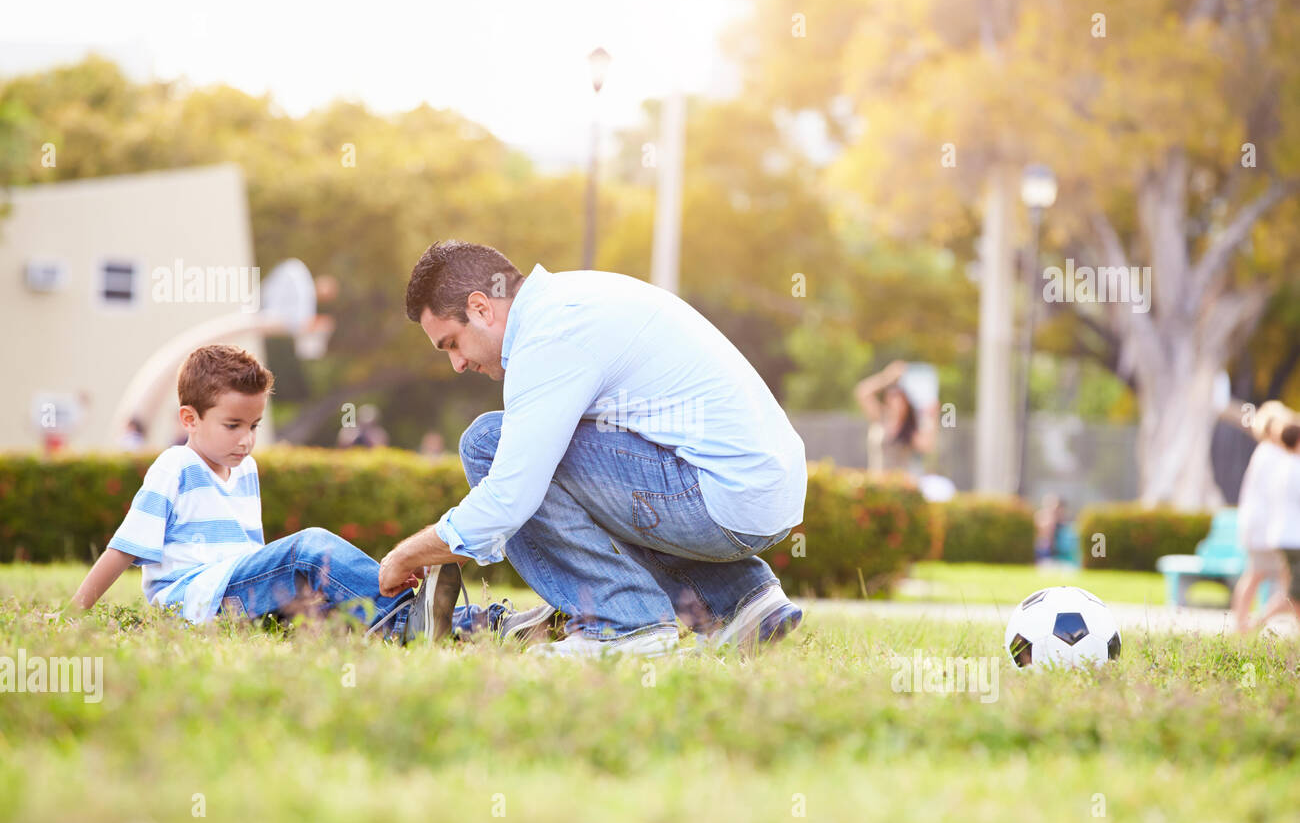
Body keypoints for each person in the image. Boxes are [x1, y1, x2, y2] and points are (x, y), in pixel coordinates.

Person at [377, 240, 808, 658]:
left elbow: (510, 498)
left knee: (487, 443)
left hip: (721, 497)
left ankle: (622, 627)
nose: (457, 364)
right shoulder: (575, 297)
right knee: (553, 445)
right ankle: (738, 602)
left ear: (481, 307)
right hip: (758, 491)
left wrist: (405, 555)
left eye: (452, 343)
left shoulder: (550, 335)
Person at [68, 344, 552, 645]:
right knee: (309, 547)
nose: (246, 439)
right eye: (232, 425)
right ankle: (409, 615)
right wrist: (74, 615)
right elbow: (126, 546)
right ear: (189, 419)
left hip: (241, 593)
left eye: (254, 426)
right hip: (193, 599)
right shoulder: (175, 466)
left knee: (335, 608)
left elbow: (251, 557)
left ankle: (493, 623)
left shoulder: (247, 470)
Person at [1232, 401, 1294, 633]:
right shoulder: (1272, 454)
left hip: (1262, 527)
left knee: (1257, 576)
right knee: (1260, 576)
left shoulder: (1266, 453)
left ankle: (1247, 623)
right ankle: (1248, 623)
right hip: (1264, 528)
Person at [1245, 420, 1300, 632]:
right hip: (1294, 538)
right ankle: (1255, 624)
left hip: (1283, 535)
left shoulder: (1282, 464)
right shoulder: (1294, 467)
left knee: (1292, 590)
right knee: (1293, 594)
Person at [853, 360, 935, 477]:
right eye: (892, 395)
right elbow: (862, 392)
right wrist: (886, 377)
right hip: (878, 484)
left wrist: (931, 416)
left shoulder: (912, 426)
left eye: (900, 397)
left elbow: (926, 446)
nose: (895, 400)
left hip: (901, 487)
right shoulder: (881, 417)